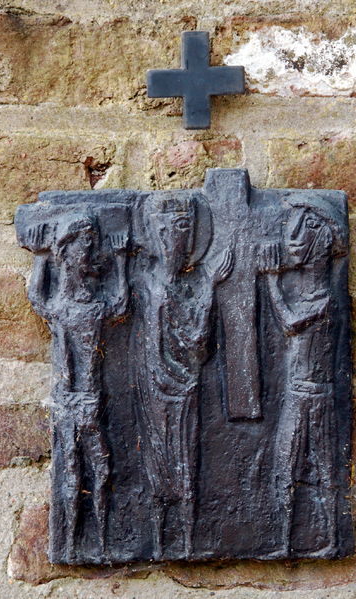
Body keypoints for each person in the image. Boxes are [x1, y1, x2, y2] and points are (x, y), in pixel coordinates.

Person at [131, 191, 234, 559]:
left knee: (185, 464)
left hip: (182, 389)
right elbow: (191, 338)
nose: (178, 239)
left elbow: (196, 343)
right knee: (160, 466)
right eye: (172, 229)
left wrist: (207, 287)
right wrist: (209, 287)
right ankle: (161, 544)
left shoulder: (175, 284)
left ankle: (188, 544)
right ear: (157, 234)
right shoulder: (149, 284)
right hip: (155, 390)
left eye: (185, 229)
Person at [27, 210, 129, 561]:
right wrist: (40, 258)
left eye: (91, 243)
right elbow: (38, 299)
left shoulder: (93, 304)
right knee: (72, 471)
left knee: (101, 469)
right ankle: (72, 544)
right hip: (70, 402)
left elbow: (120, 304)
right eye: (83, 243)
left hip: (90, 400)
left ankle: (100, 542)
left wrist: (121, 261)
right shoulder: (62, 306)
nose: (89, 250)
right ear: (67, 250)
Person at [261, 199, 348, 558]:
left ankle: (332, 540)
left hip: (317, 395)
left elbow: (290, 323)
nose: (294, 237)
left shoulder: (324, 299)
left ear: (323, 240)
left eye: (307, 228)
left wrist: (271, 281)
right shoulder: (312, 295)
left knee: (326, 470)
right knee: (286, 468)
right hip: (298, 394)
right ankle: (284, 543)